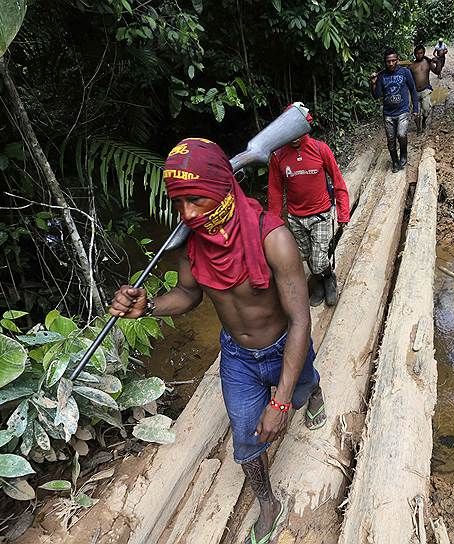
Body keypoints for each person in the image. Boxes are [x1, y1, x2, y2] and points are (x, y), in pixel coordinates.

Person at [109, 138, 327, 544]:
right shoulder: (193, 243)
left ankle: (311, 393)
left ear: (221, 188)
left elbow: (300, 321)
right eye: (179, 203)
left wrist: (279, 404)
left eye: (196, 200)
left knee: (301, 388)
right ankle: (267, 502)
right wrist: (148, 305)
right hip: (237, 357)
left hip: (284, 343)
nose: (187, 213)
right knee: (247, 437)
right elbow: (189, 294)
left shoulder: (272, 237)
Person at [268, 109, 350, 308]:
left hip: (321, 213)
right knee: (306, 255)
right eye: (290, 130)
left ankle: (329, 279)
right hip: (296, 217)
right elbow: (275, 191)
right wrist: (272, 224)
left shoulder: (320, 149)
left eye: (298, 130)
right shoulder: (278, 156)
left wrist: (343, 212)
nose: (294, 136)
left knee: (319, 258)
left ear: (306, 126)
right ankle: (320, 283)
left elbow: (338, 181)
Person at [370, 47, 419, 173]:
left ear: (398, 60)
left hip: (402, 111)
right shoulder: (381, 76)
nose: (391, 64)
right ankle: (395, 162)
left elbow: (413, 90)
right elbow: (376, 96)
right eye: (388, 61)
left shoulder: (405, 72)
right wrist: (374, 84)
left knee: (401, 135)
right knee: (391, 141)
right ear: (385, 62)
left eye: (393, 60)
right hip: (388, 114)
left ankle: (403, 154)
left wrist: (416, 109)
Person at [409, 45, 435, 133]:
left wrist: (438, 62)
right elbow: (408, 80)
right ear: (414, 54)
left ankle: (424, 120)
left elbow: (437, 71)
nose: (419, 55)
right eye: (417, 53)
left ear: (423, 53)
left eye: (421, 53)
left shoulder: (428, 63)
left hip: (425, 90)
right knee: (415, 112)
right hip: (415, 92)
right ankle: (418, 128)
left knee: (426, 109)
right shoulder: (411, 66)